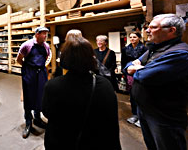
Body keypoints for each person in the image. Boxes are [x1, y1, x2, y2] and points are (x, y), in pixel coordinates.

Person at [42, 36, 121, 150]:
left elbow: (47, 112)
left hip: (62, 142)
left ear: (64, 58)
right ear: (92, 58)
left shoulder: (52, 86)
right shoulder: (105, 85)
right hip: (96, 142)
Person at [125, 14, 188, 150]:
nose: (147, 30)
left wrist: (139, 69)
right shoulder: (155, 48)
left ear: (171, 30)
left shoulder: (180, 53)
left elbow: (144, 76)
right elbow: (128, 67)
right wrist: (137, 67)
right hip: (146, 111)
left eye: (153, 27)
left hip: (164, 117)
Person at [16, 26, 50, 139]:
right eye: (43, 33)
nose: (45, 36)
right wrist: (27, 69)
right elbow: (19, 59)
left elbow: (46, 57)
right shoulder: (27, 45)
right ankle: (28, 122)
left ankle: (38, 118)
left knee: (40, 96)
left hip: (41, 74)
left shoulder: (46, 46)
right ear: (37, 34)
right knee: (29, 97)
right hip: (29, 74)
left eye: (46, 34)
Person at [121, 32, 147, 127]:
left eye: (134, 37)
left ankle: (142, 117)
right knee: (132, 94)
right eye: (130, 37)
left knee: (141, 94)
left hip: (141, 73)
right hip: (129, 74)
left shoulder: (144, 49)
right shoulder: (125, 49)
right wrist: (125, 73)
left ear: (139, 38)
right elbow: (123, 62)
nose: (132, 39)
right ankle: (134, 114)